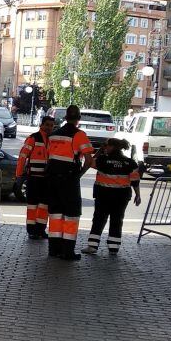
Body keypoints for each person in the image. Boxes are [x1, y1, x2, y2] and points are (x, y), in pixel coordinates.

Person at [45, 105, 95, 260]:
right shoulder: (79, 135)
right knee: (71, 215)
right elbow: (89, 160)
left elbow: (49, 156)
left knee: (55, 214)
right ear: (78, 119)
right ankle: (67, 252)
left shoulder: (53, 135)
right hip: (69, 179)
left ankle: (54, 249)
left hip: (52, 178)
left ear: (65, 118)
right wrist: (79, 174)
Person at [82, 138, 141, 255]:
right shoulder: (130, 162)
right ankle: (114, 248)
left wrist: (99, 151)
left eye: (106, 145)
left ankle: (92, 246)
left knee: (99, 219)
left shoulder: (102, 160)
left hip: (103, 195)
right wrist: (138, 195)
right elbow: (135, 181)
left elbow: (89, 162)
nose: (105, 147)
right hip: (121, 197)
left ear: (112, 147)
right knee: (117, 220)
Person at [16, 115, 55, 240]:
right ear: (42, 125)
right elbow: (23, 156)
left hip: (47, 179)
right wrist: (19, 174)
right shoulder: (33, 138)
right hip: (33, 178)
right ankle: (32, 231)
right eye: (47, 125)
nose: (49, 127)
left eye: (51, 125)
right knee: (32, 206)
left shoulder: (53, 140)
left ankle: (41, 230)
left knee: (44, 206)